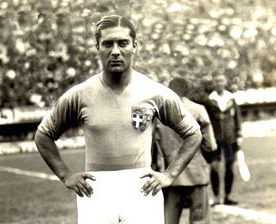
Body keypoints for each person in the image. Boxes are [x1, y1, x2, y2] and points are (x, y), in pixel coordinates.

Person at [34, 15, 202, 224]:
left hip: (142, 188)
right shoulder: (79, 95)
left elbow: (193, 133)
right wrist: (66, 176)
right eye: (107, 44)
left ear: (134, 46)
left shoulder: (155, 92)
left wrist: (169, 175)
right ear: (97, 47)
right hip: (95, 190)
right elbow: (43, 135)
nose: (115, 51)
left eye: (122, 43)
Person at [153, 77, 217, 224]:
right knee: (200, 220)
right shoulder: (198, 110)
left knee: (168, 220)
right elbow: (210, 145)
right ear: (187, 90)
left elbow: (154, 145)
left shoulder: (159, 113)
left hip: (169, 175)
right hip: (196, 174)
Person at [208, 74, 242, 205]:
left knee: (230, 166)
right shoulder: (210, 100)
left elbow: (237, 118)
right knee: (214, 167)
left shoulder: (231, 99)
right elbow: (207, 120)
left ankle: (227, 196)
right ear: (214, 83)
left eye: (221, 80)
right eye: (217, 81)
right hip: (214, 138)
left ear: (225, 82)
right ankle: (216, 197)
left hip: (230, 138)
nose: (219, 83)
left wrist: (239, 134)